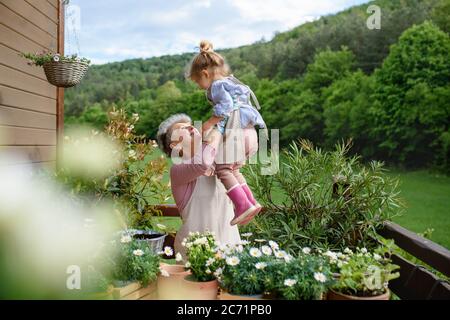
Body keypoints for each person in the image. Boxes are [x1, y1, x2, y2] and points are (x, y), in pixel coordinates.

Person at [187, 40, 266, 225]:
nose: (200, 86)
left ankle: (241, 205)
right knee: (234, 169)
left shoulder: (216, 86)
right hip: (250, 134)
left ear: (205, 73)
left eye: (199, 81)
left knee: (223, 169)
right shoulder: (231, 83)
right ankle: (250, 202)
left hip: (237, 134)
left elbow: (226, 107)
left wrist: (209, 123)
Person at [156, 113, 241, 261]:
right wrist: (216, 133)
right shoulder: (178, 170)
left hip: (230, 249)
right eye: (182, 128)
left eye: (191, 125)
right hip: (195, 254)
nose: (190, 127)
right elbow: (201, 164)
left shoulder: (219, 164)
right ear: (175, 145)